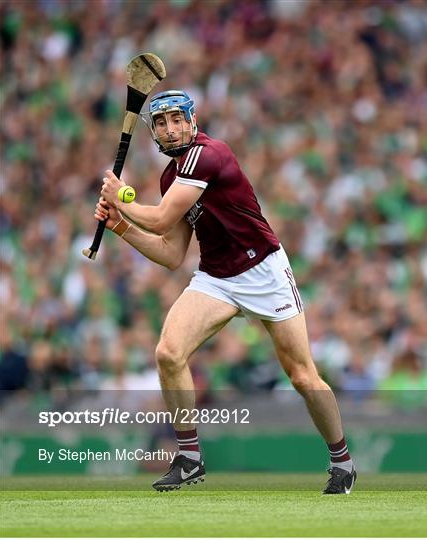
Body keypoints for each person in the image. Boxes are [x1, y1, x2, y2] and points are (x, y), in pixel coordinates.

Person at [94, 90, 357, 494]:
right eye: (161, 123)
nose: (170, 128)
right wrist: (119, 227)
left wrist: (121, 199)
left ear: (191, 120)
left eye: (176, 119)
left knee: (303, 376)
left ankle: (342, 461)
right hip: (217, 278)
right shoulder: (172, 176)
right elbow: (170, 253)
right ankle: (189, 458)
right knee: (168, 353)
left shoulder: (208, 154)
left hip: (264, 271)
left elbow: (162, 219)